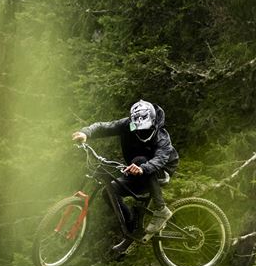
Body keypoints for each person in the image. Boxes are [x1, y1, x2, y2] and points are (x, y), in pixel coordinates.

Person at [72, 100, 179, 257]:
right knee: (109, 192)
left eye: (145, 126)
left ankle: (161, 209)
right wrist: (86, 132)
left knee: (140, 160)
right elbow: (104, 127)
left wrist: (143, 168)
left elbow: (161, 157)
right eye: (137, 127)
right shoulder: (128, 125)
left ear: (152, 120)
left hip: (161, 170)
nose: (140, 130)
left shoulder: (161, 135)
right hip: (139, 170)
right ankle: (131, 233)